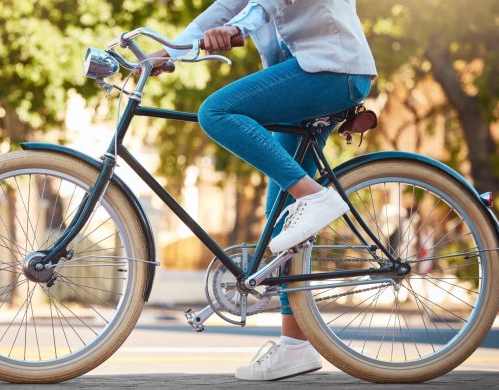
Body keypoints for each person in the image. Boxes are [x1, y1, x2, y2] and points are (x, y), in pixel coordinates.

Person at [146, 0, 377, 381]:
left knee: (216, 112)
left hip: (331, 69)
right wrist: (166, 52)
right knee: (280, 215)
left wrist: (237, 30)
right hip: (308, 73)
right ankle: (294, 347)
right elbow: (223, 8)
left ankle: (316, 196)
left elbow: (262, 6)